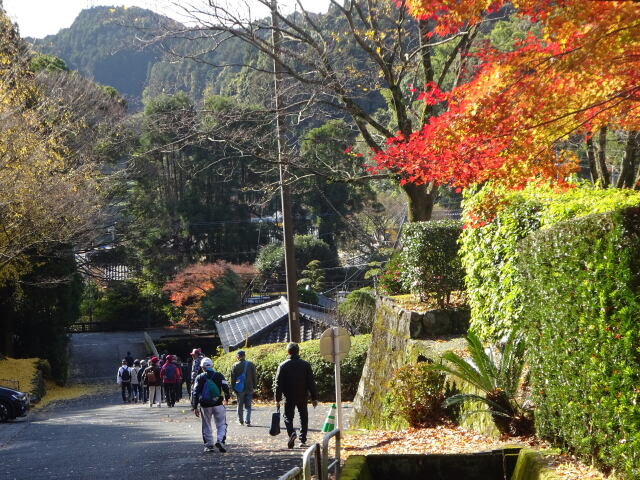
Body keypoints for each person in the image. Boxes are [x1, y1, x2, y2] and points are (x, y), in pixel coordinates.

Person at [274, 342, 318, 449]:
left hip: (288, 396)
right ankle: (302, 439)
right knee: (303, 416)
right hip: (302, 395)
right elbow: (311, 382)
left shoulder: (283, 365)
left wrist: (277, 399)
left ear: (288, 352)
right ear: (298, 351)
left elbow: (278, 384)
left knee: (288, 416)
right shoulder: (305, 365)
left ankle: (291, 433)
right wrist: (314, 397)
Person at [191, 357, 230, 453]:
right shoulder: (219, 375)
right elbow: (226, 387)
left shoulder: (199, 377)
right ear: (212, 365)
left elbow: (195, 392)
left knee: (206, 425)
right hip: (218, 404)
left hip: (205, 406)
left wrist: (195, 406)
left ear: (202, 367)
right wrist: (227, 398)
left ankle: (209, 445)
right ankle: (220, 440)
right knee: (221, 424)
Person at [230, 350, 256, 426]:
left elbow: (232, 378)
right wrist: (254, 386)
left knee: (240, 404)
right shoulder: (251, 364)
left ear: (238, 357)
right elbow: (254, 376)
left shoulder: (235, 365)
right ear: (244, 356)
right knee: (248, 406)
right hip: (249, 387)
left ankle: (240, 421)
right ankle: (247, 421)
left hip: (239, 388)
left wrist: (233, 388)